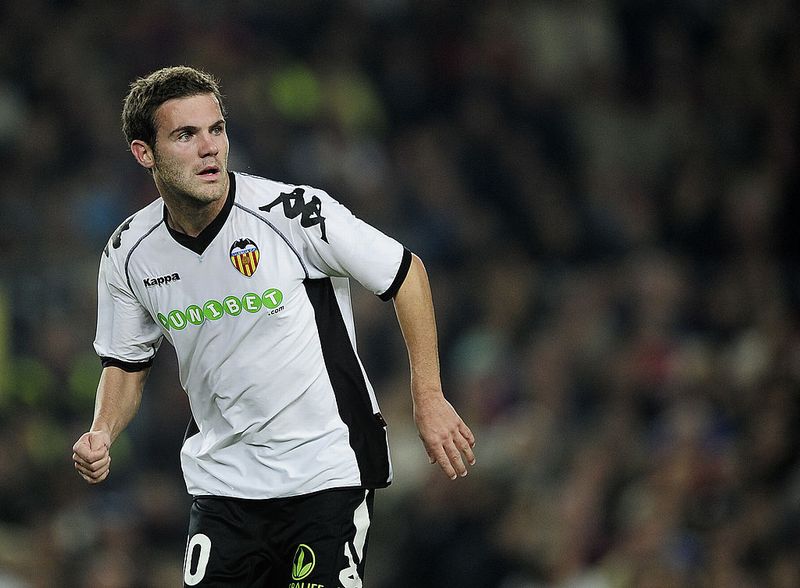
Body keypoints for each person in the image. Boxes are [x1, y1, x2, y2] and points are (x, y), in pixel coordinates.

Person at [71, 66, 476, 587]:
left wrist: (429, 395)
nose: (209, 148)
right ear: (144, 153)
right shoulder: (129, 252)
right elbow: (126, 364)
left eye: (217, 129)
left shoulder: (291, 213)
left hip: (324, 472)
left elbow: (405, 273)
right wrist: (103, 430)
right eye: (185, 135)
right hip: (224, 486)